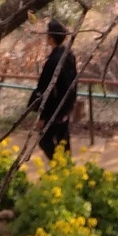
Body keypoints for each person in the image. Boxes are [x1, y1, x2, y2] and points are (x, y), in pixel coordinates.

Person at [25, 18, 78, 161]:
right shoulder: (69, 56)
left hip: (54, 108)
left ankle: (59, 168)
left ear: (51, 37)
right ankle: (66, 170)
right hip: (65, 107)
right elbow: (74, 82)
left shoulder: (53, 61)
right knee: (63, 140)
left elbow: (45, 90)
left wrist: (42, 116)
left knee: (45, 140)